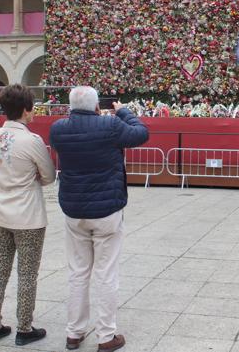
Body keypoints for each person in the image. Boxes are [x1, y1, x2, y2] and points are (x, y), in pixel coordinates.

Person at [49, 86, 148, 352]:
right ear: (96, 107)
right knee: (106, 274)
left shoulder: (58, 129)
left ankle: (74, 332)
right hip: (107, 212)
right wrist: (123, 111)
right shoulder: (111, 125)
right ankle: (106, 336)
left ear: (70, 106)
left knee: (78, 273)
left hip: (74, 210)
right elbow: (141, 133)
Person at [0, 84, 56, 346]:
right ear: (26, 110)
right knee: (27, 274)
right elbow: (48, 175)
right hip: (27, 217)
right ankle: (24, 328)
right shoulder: (32, 140)